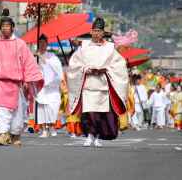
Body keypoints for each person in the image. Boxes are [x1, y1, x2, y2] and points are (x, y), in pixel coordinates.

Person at [0, 9, 42, 146]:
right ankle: (2, 134)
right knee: (1, 111)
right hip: (0, 84)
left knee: (18, 114)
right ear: (0, 28)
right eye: (3, 26)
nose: (5, 28)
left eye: (8, 26)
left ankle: (14, 135)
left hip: (16, 85)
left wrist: (28, 80)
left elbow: (29, 64)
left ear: (13, 27)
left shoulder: (20, 44)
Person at [67, 17, 128, 148]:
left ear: (103, 33)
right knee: (88, 114)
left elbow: (119, 65)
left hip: (102, 86)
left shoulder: (110, 48)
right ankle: (89, 135)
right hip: (88, 85)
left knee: (100, 115)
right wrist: (85, 69)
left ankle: (98, 136)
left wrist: (106, 69)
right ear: (90, 32)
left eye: (99, 31)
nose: (96, 33)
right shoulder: (83, 47)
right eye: (94, 30)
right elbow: (74, 64)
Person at [35, 34, 63, 138]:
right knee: (42, 107)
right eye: (40, 43)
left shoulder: (52, 56)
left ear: (47, 44)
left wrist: (43, 59)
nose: (42, 45)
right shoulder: (35, 56)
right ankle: (44, 128)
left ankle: (51, 125)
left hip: (52, 86)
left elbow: (57, 69)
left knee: (52, 107)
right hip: (40, 86)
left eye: (44, 43)